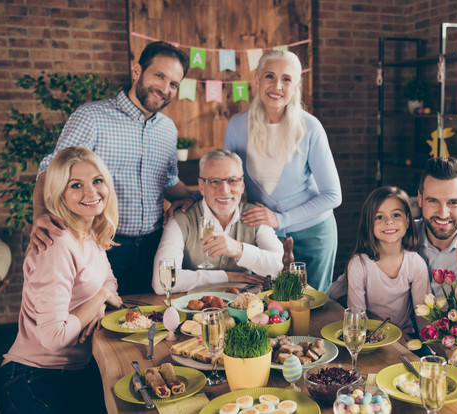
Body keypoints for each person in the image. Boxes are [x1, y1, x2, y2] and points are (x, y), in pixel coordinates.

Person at [30, 41, 193, 296]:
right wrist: (40, 213)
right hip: (103, 244)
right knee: (100, 322)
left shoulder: (168, 129)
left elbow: (168, 180)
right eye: (159, 76)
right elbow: (52, 168)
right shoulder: (92, 117)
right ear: (137, 71)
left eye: (174, 84)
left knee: (148, 323)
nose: (165, 89)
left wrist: (195, 199)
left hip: (153, 245)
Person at [0, 147, 123, 414]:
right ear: (59, 194)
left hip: (72, 372)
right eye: (76, 185)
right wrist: (100, 298)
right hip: (33, 378)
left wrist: (97, 307)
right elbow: (54, 338)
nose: (91, 193)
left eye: (97, 181)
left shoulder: (89, 232)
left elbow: (111, 280)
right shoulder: (58, 242)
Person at [224, 50, 341, 293]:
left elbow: (333, 195)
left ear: (296, 85)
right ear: (257, 79)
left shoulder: (311, 127)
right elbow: (227, 180)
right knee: (270, 305)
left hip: (314, 235)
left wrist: (280, 219)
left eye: (286, 79)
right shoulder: (237, 125)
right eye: (270, 76)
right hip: (266, 237)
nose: (277, 85)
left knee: (313, 308)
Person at [152, 149, 282, 294]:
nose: (225, 190)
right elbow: (161, 281)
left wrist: (240, 250)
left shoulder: (255, 215)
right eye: (215, 181)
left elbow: (282, 268)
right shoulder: (180, 219)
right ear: (201, 187)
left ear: (242, 185)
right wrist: (226, 276)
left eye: (232, 180)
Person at [346, 186, 430, 334]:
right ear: (368, 224)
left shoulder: (415, 263)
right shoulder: (359, 264)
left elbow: (423, 316)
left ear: (408, 221)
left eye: (396, 215)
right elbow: (356, 321)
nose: (389, 221)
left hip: (406, 337)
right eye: (379, 217)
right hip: (369, 337)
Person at [415, 157, 457, 297]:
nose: (443, 214)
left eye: (453, 202)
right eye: (433, 201)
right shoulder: (402, 236)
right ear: (419, 199)